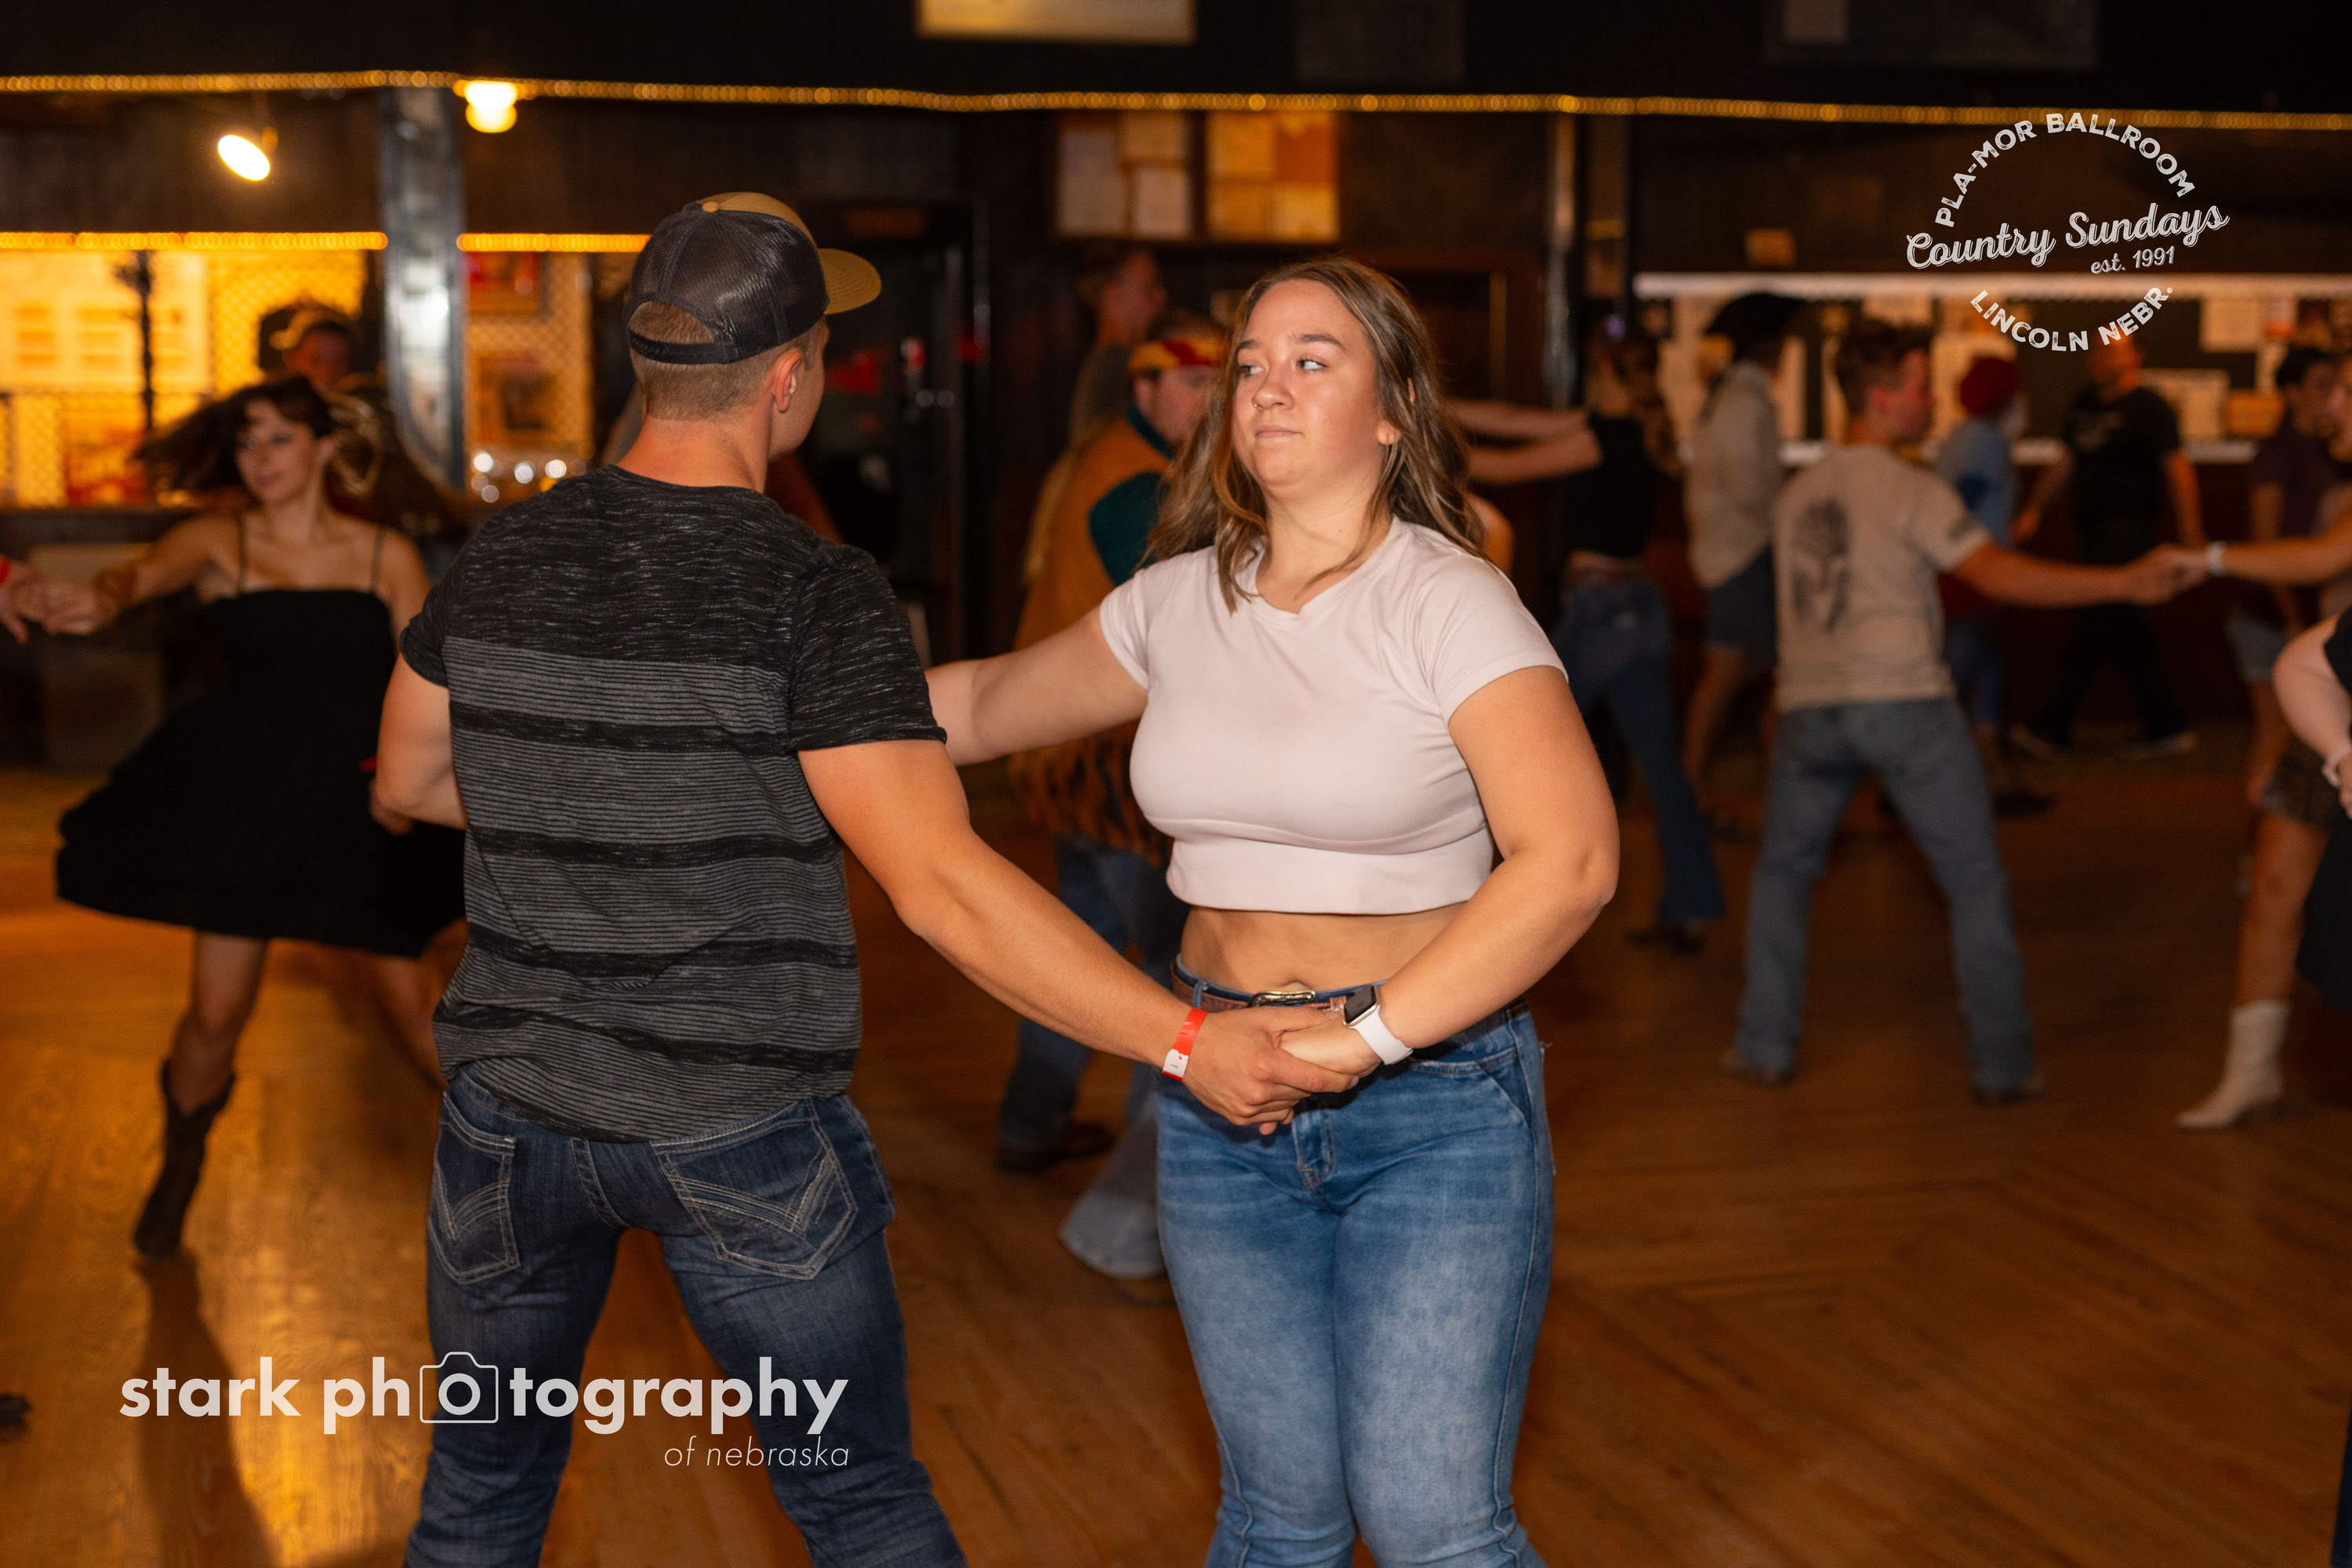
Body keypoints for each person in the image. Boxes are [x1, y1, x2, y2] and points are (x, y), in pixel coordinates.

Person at [371, 194, 1348, 1566]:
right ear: (789, 380)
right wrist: (1186, 1041)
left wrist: (607, 798)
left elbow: (406, 781)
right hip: (739, 1135)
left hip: (506, 1132)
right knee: (858, 1505)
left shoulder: (502, 556)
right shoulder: (813, 589)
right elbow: (941, 885)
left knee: (479, 1496)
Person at [927, 256, 1619, 1563]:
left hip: (1428, 1102)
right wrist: (760, 707)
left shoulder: (1449, 600)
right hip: (1217, 1090)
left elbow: (1572, 861)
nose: (1266, 385)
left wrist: (1363, 1044)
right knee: (1276, 1516)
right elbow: (977, 707)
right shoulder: (1178, 600)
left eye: (1313, 360)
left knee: (1432, 1528)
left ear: (1394, 411)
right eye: (1249, 363)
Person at [30, 378, 463, 1261]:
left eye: (279, 439)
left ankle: (514, 1183)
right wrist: (97, 599)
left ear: (325, 449)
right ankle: (180, 1162)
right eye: (247, 442)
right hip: (248, 808)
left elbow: (425, 680)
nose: (260, 458)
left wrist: (424, 782)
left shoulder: (383, 554)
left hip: (356, 805)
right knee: (217, 1012)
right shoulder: (217, 540)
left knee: (413, 1004)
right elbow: (134, 577)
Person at [1729, 321, 2190, 1103]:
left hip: (1811, 712)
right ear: (1882, 399)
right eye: (1920, 386)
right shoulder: (1912, 489)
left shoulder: (1796, 493)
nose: (1933, 401)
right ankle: (2003, 1065)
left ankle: (1763, 1047)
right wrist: (2122, 583)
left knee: (1781, 876)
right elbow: (2001, 576)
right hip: (1906, 704)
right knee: (1975, 883)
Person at [996, 309, 1222, 1293]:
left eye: (1219, 383)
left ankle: (1030, 1122)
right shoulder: (1138, 483)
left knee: (1076, 957)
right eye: (1192, 383)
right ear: (1143, 387)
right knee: (1171, 996)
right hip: (1111, 774)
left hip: (1071, 765)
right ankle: (1138, 1219)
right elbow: (1187, 619)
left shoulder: (1107, 458)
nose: (1211, 402)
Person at [1464, 328, 1724, 953]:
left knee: (1513, 744)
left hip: (1602, 617)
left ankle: (1477, 915)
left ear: (1605, 370)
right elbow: (1511, 420)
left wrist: (1404, 435)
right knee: (1663, 772)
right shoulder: (1618, 427)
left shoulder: (1603, 438)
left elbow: (1503, 465)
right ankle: (1691, 907)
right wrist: (1432, 403)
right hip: (1639, 609)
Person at [2169, 378, 2352, 1127]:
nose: (2333, 406)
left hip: (2333, 692)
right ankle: (2250, 1074)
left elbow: (2317, 560)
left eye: (2349, 391)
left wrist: (2207, 558)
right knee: (2275, 885)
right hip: (2329, 698)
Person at [2012, 336, 2206, 760]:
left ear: (2135, 356)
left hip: (2128, 535)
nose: (2102, 358)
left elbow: (2177, 468)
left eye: (2113, 350)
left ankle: (2051, 727)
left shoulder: (2150, 408)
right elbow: (2067, 461)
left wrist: (2192, 534)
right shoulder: (2083, 403)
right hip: (2090, 533)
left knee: (2093, 622)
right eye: (2097, 349)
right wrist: (2033, 510)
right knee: (2124, 631)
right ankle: (2168, 725)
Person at [1682, 292, 1802, 827]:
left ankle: (1697, 788)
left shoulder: (1725, 395)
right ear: (1768, 344)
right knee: (1750, 675)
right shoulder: (1745, 402)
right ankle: (1761, 796)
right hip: (1745, 556)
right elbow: (1754, 491)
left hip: (1726, 555)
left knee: (1734, 675)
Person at [1934, 354, 2053, 816]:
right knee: (1955, 682)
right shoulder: (1984, 441)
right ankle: (1914, 786)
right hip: (1975, 578)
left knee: (1985, 676)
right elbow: (1958, 505)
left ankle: (2000, 782)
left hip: (1968, 576)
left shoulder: (1962, 436)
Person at [2227, 347, 2343, 798]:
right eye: (2322, 385)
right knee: (2275, 735)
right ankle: (2257, 837)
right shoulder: (2276, 454)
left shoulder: (2330, 450)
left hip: (2309, 614)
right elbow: (2265, 542)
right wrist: (2291, 615)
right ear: (2292, 392)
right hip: (2267, 612)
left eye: (2339, 386)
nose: (2333, 398)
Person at [1069, 243, 1168, 445]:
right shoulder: (1119, 370)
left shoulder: (1105, 365)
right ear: (1113, 296)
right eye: (1149, 288)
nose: (1162, 297)